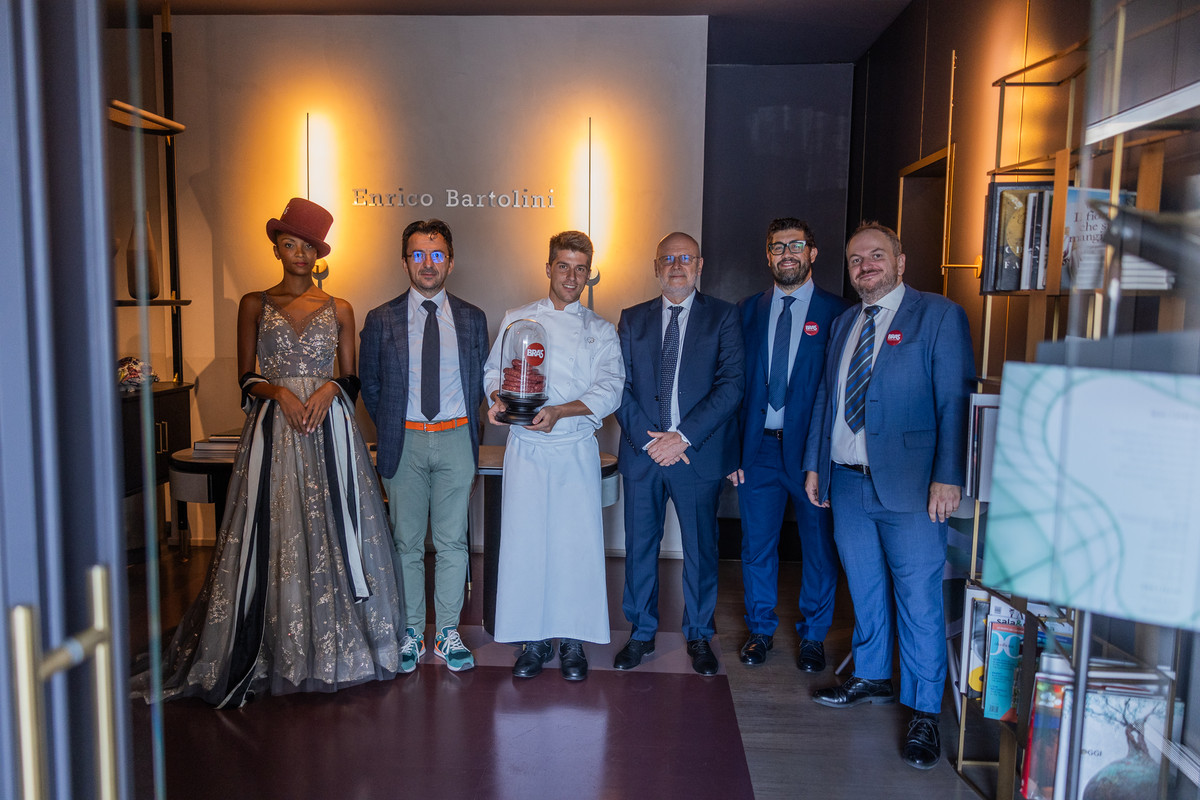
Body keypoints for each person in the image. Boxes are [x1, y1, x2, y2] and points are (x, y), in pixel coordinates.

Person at [146, 198, 407, 707]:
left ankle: (334, 647)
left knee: (335, 526)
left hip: (329, 430)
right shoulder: (253, 303)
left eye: (309, 246)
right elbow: (245, 377)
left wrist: (329, 390)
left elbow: (351, 377)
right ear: (277, 249)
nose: (300, 254)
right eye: (291, 244)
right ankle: (277, 645)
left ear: (319, 253)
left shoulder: (341, 307)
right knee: (276, 526)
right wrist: (281, 393)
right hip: (276, 430)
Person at [803, 222, 974, 769]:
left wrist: (949, 476)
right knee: (865, 587)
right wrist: (815, 464)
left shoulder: (939, 315)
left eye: (877, 255)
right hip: (847, 481)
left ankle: (925, 713)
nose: (866, 265)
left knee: (919, 600)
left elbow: (955, 401)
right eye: (856, 259)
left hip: (914, 487)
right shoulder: (845, 322)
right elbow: (828, 399)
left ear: (901, 262)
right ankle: (872, 675)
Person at [484, 230, 624, 681]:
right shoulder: (517, 319)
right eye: (563, 266)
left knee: (575, 547)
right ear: (548, 268)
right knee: (526, 545)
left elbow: (611, 388)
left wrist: (561, 411)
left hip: (574, 450)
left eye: (580, 269)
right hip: (526, 449)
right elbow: (494, 372)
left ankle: (573, 642)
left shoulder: (601, 330)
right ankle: (533, 640)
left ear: (589, 274)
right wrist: (497, 399)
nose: (571, 276)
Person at [360, 219, 488, 673]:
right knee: (406, 543)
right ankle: (413, 631)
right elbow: (371, 386)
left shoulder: (472, 319)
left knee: (453, 542)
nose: (427, 264)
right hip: (405, 441)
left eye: (436, 255)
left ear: (450, 262)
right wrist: (397, 428)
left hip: (456, 439)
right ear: (404, 262)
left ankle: (447, 632)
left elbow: (481, 384)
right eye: (418, 255)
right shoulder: (381, 319)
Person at [614, 232, 745, 676]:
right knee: (639, 548)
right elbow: (618, 385)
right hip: (643, 454)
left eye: (685, 258)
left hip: (696, 455)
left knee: (701, 550)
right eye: (667, 258)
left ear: (699, 265)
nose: (676, 266)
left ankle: (699, 633)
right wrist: (652, 441)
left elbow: (732, 386)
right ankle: (641, 632)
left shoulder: (723, 317)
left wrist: (682, 437)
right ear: (656, 267)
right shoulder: (632, 319)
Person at [728, 218, 847, 670]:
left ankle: (813, 636)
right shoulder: (747, 310)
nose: (787, 254)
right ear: (768, 255)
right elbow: (733, 386)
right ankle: (760, 630)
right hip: (757, 450)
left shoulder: (839, 313)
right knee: (757, 546)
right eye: (778, 247)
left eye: (796, 245)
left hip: (812, 453)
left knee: (818, 547)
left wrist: (823, 458)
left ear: (812, 253)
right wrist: (733, 452)